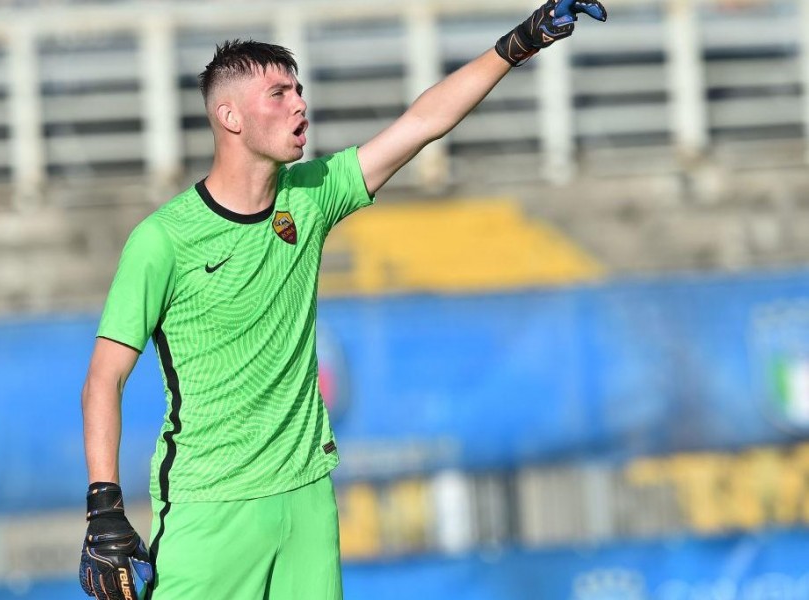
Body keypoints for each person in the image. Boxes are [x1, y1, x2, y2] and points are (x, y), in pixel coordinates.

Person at [77, 1, 606, 599]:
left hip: (307, 494)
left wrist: (518, 43)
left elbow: (422, 123)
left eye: (298, 89)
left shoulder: (311, 195)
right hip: (211, 507)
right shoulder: (162, 240)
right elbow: (104, 379)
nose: (299, 103)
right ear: (229, 116)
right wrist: (104, 508)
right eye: (278, 94)